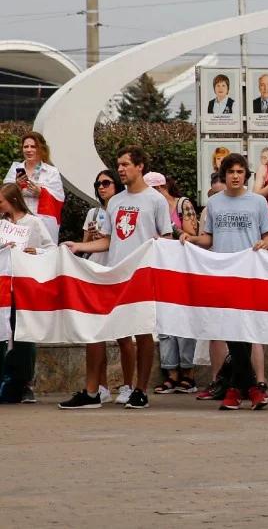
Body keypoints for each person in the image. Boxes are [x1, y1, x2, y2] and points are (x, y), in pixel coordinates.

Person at [60, 146, 174, 410]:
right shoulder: (116, 202)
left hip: (142, 275)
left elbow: (165, 239)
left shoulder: (155, 200)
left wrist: (156, 247)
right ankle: (91, 393)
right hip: (114, 275)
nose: (121, 169)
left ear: (140, 166)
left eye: (125, 164)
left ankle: (140, 390)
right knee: (96, 328)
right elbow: (109, 241)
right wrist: (79, 246)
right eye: (119, 164)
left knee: (142, 332)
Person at [179, 153, 268, 411]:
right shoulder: (214, 204)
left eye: (240, 171)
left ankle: (235, 388)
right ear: (224, 175)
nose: (235, 176)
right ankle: (249, 388)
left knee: (243, 331)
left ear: (246, 174)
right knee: (232, 331)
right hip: (222, 273)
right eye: (231, 171)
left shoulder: (258, 202)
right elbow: (208, 238)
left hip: (249, 272)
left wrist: (263, 244)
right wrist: (190, 239)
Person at [80, 170, 135, 405]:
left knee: (124, 334)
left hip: (118, 271)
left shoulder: (125, 209)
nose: (102, 187)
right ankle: (100, 386)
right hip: (96, 271)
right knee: (96, 332)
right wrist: (91, 238)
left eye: (106, 183)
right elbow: (85, 246)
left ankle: (128, 386)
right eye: (98, 184)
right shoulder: (93, 212)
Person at [0, 182, 55, 404]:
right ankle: (8, 379)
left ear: (12, 201)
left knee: (24, 334)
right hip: (5, 285)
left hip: (25, 284)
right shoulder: (2, 224)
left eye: (1, 201)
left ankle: (25, 383)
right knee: (5, 332)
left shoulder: (33, 222)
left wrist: (37, 250)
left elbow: (51, 247)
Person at [145, 172, 199, 394]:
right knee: (164, 320)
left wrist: (170, 228)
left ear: (161, 188)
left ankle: (188, 372)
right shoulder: (147, 209)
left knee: (183, 318)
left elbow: (192, 233)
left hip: (182, 268)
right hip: (159, 269)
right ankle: (171, 372)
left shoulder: (182, 204)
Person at [5, 131, 65, 242]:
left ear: (41, 148)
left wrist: (41, 193)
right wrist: (16, 187)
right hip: (18, 222)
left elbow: (59, 198)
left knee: (39, 254)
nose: (29, 150)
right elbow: (4, 195)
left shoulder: (51, 171)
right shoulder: (15, 168)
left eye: (33, 146)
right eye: (26, 146)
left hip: (42, 222)